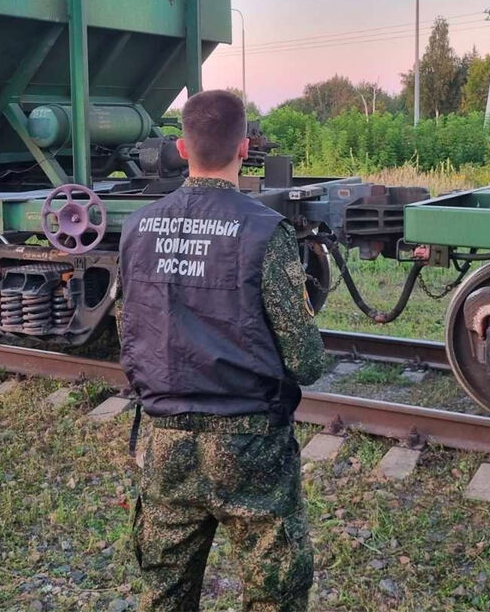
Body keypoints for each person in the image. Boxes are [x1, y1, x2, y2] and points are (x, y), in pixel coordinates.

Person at [116, 89, 325, 612]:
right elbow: (305, 360)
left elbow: (130, 338)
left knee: (164, 590)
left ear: (181, 149)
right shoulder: (262, 230)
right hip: (249, 443)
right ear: (246, 147)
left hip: (164, 440)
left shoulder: (138, 228)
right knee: (273, 592)